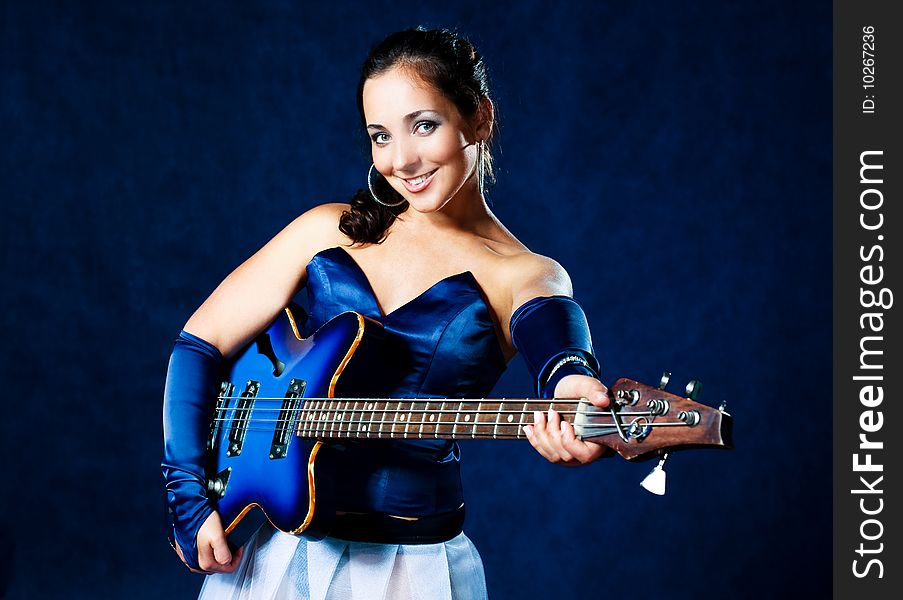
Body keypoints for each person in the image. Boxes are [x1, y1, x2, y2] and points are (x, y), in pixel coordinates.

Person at [162, 27, 611, 600]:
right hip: (285, 560)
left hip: (412, 573)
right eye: (380, 135)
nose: (401, 160)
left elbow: (564, 360)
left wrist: (577, 396)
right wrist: (186, 489)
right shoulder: (329, 229)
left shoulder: (524, 275)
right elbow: (200, 343)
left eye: (423, 125)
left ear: (479, 118)